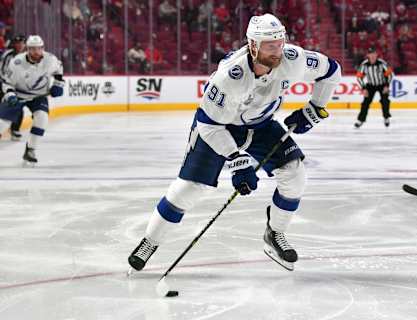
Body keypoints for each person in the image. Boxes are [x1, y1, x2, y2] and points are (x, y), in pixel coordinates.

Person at [127, 13, 341, 272]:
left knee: (295, 174)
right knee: (190, 188)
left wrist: (316, 107)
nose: (278, 50)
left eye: (280, 42)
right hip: (218, 127)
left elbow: (331, 70)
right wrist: (237, 160)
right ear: (253, 45)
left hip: (261, 125)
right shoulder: (230, 77)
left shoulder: (293, 59)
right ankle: (150, 242)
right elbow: (208, 124)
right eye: (270, 45)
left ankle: (274, 234)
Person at [0, 35, 64, 165]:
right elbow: (6, 83)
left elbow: (59, 71)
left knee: (42, 119)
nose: (36, 52)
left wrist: (58, 84)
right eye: (33, 49)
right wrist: (10, 94)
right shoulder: (16, 62)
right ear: (27, 49)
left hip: (38, 96)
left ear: (43, 48)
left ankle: (30, 150)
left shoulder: (50, 60)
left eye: (39, 48)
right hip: (18, 94)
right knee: (2, 124)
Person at [355, 47, 393, 128]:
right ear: (368, 55)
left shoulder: (381, 63)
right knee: (365, 103)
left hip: (382, 84)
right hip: (370, 85)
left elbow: (390, 74)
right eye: (370, 54)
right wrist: (364, 88)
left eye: (374, 54)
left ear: (376, 55)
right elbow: (359, 77)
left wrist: (387, 86)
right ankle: (360, 120)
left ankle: (386, 117)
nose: (372, 56)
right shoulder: (364, 64)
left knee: (385, 101)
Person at [0, 34, 26, 140]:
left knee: (18, 107)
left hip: (18, 86)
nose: (19, 45)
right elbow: (2, 71)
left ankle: (15, 130)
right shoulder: (8, 55)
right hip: (4, 84)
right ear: (14, 44)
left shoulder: (27, 56)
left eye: (21, 43)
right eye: (17, 43)